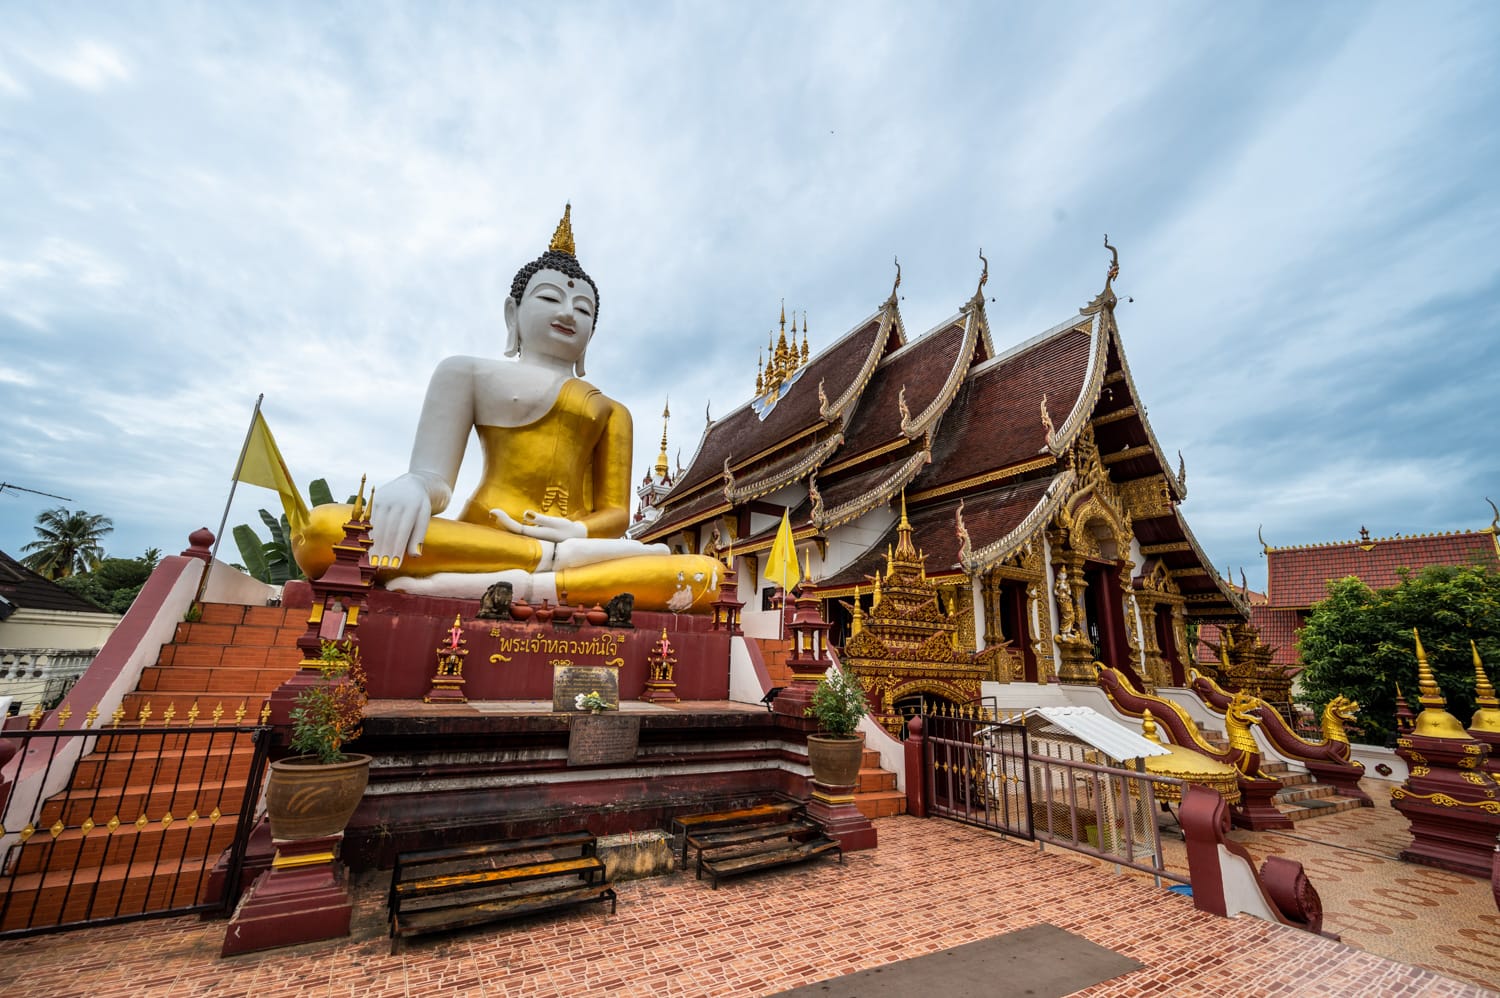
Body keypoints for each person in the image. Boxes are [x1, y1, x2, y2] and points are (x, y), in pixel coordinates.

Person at [290, 207, 720, 612]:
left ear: (592, 332)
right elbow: (435, 479)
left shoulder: (611, 411)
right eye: (551, 299)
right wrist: (415, 486)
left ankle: (529, 586)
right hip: (486, 537)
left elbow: (615, 514)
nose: (569, 312)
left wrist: (578, 534)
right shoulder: (466, 373)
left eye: (583, 309)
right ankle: (550, 575)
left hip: (576, 549)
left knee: (708, 575)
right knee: (324, 532)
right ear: (513, 313)